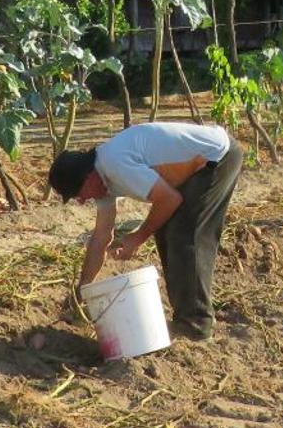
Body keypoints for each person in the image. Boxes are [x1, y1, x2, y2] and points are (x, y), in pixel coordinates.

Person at [48, 121, 243, 341]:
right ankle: (186, 317)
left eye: (78, 194)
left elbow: (169, 199)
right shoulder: (101, 181)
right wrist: (82, 290)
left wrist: (137, 238)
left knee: (184, 234)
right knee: (164, 228)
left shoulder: (115, 164)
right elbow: (101, 236)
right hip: (193, 168)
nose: (82, 201)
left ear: (87, 176)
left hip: (217, 157)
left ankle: (195, 324)